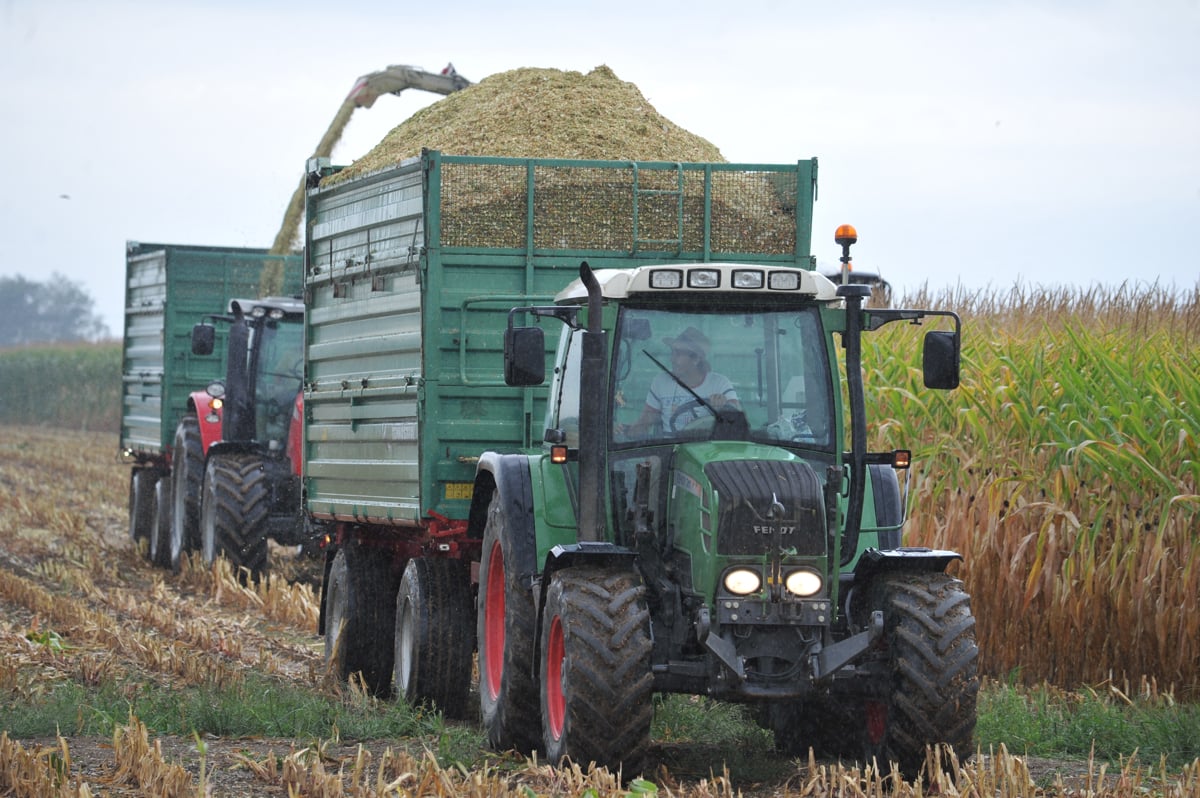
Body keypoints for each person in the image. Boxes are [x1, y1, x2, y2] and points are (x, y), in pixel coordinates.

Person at [618, 326, 740, 438]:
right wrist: (622, 430)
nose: (672, 359)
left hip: (709, 449)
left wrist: (724, 408)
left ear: (696, 359)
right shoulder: (661, 382)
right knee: (647, 463)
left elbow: (738, 422)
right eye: (673, 352)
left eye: (678, 354)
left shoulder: (719, 384)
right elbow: (644, 423)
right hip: (669, 450)